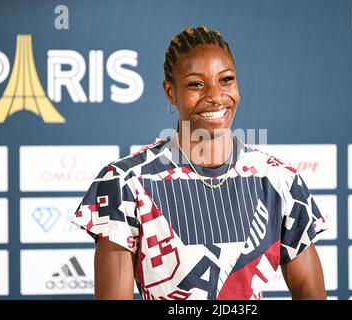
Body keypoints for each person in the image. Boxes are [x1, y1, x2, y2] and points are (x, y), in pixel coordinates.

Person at [72, 26, 328, 300]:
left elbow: (309, 291)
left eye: (226, 80)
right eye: (196, 84)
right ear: (171, 92)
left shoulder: (278, 180)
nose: (216, 96)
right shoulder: (125, 182)